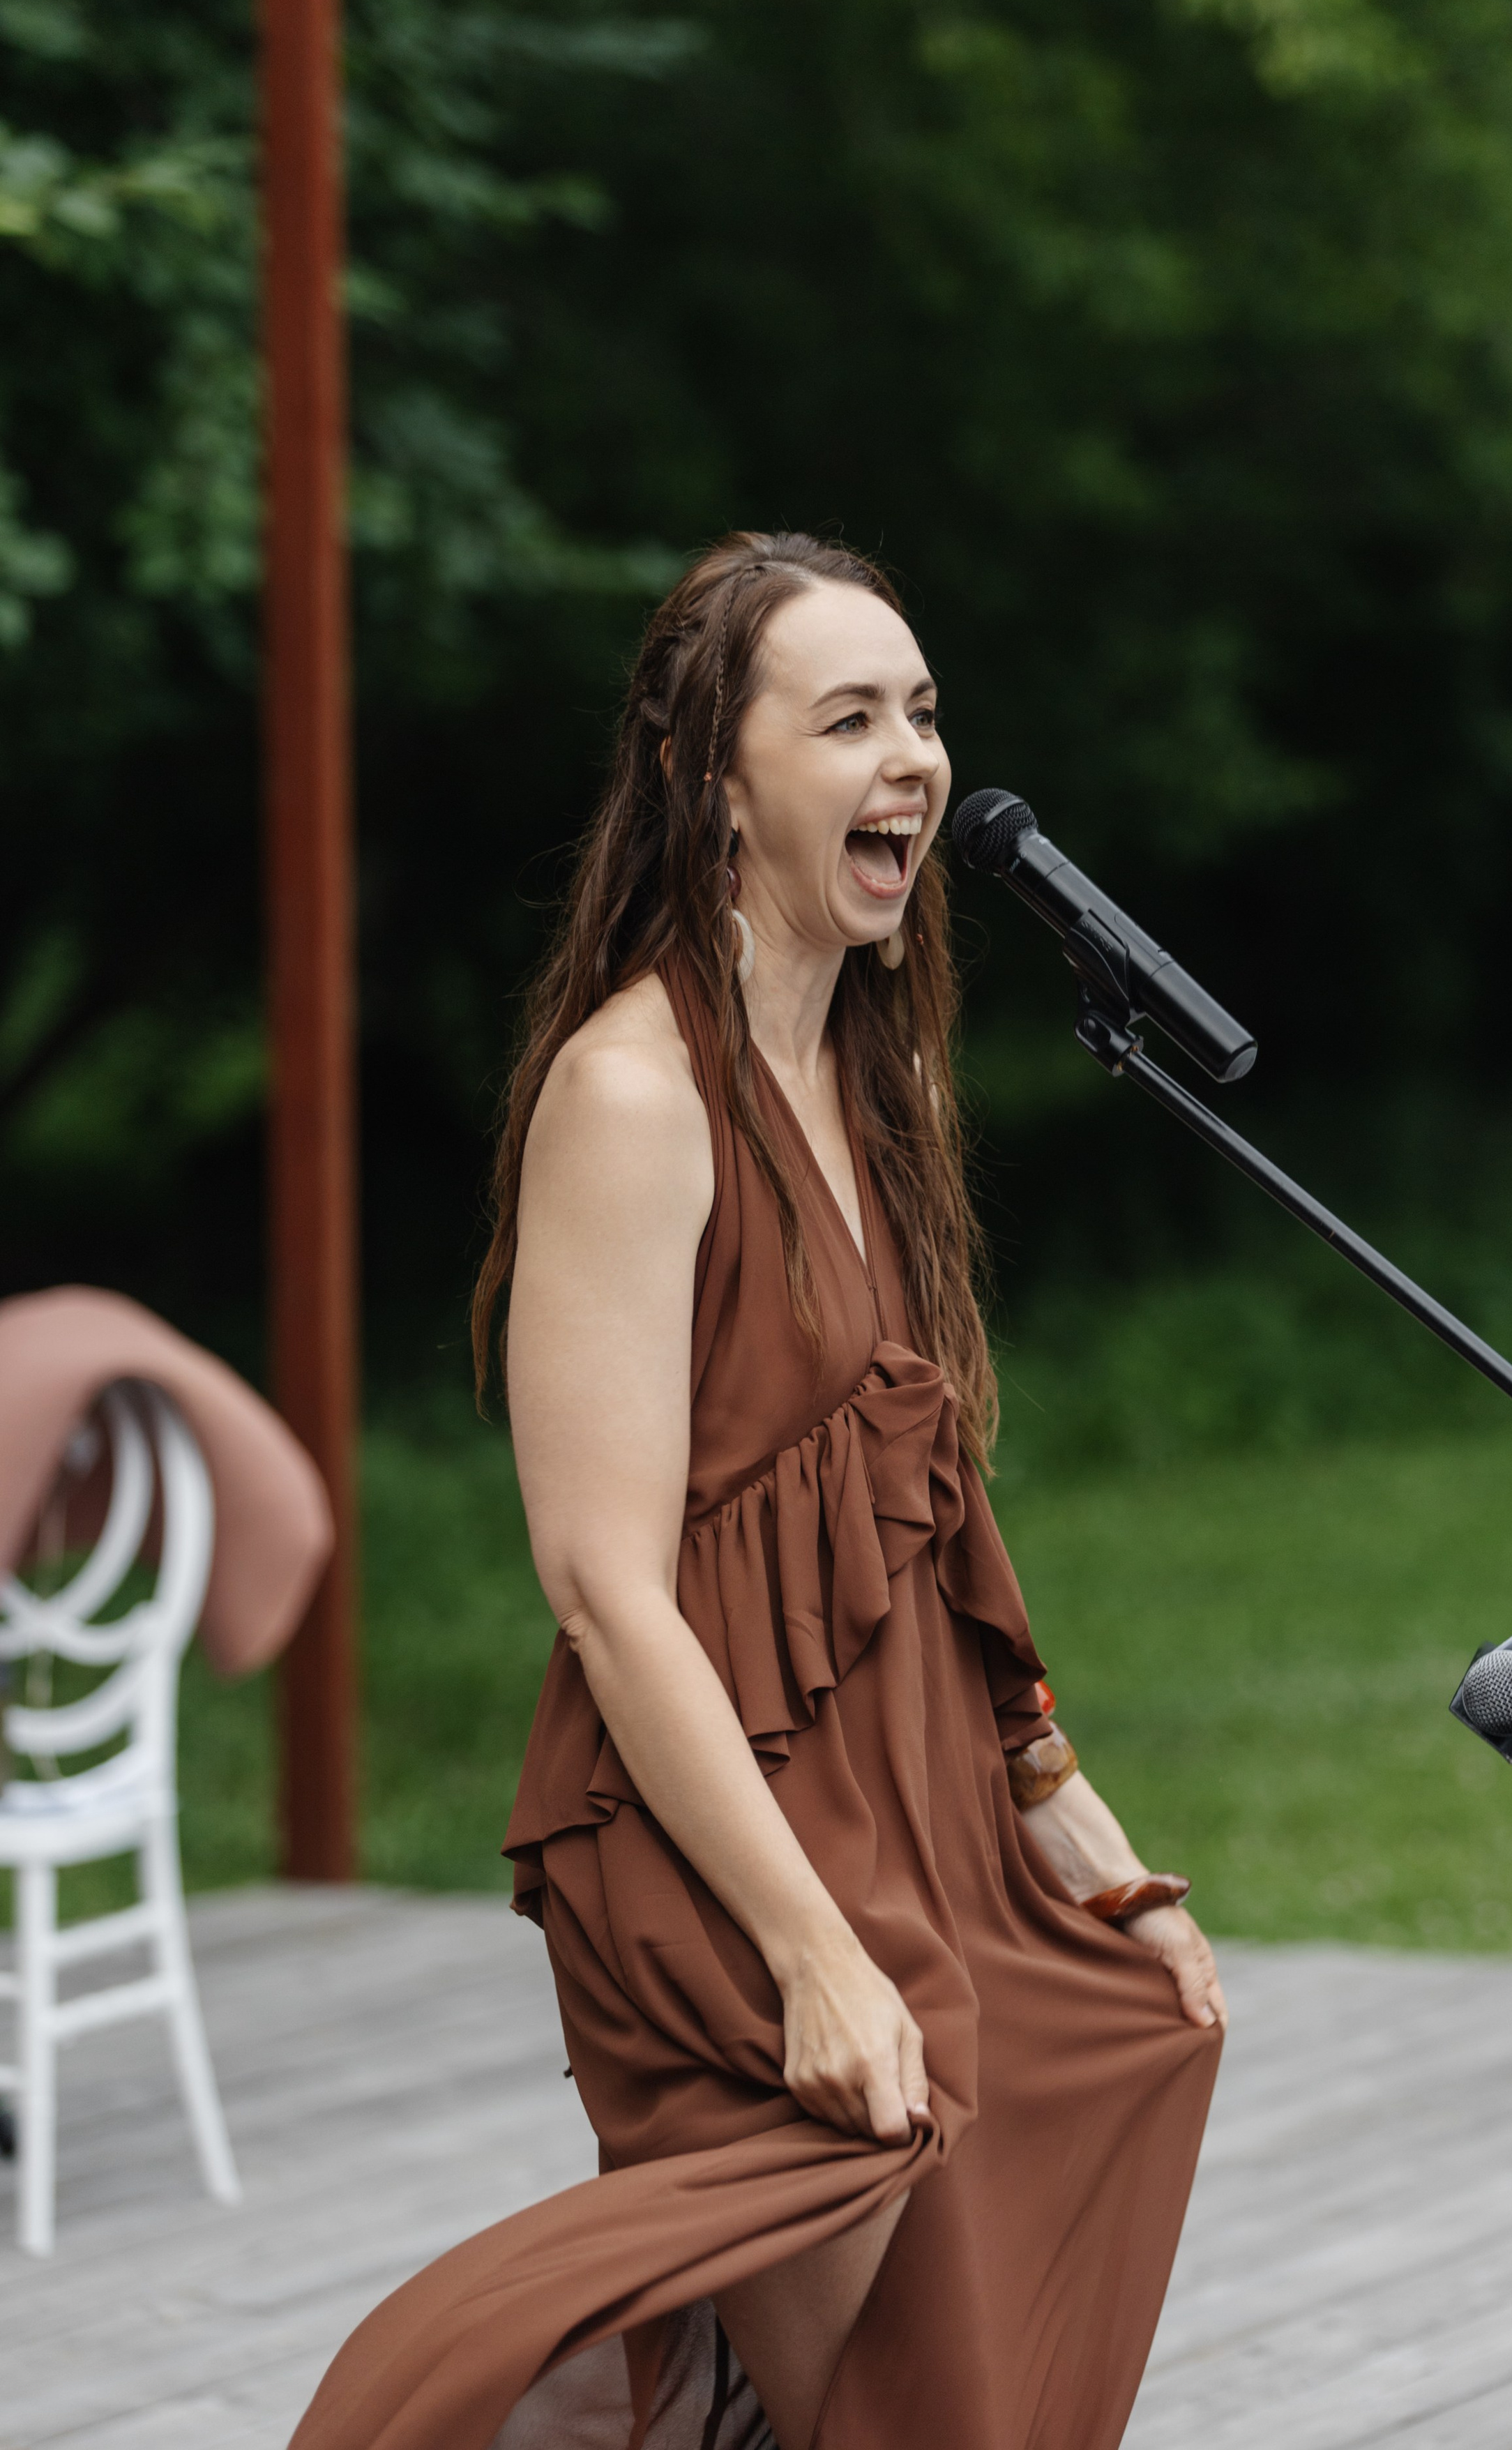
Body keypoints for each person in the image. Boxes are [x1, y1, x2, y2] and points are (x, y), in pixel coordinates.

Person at [291, 533, 1225, 2450]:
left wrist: (1073, 1823)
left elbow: (926, 1497)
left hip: (917, 1816)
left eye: (925, 715)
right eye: (849, 719)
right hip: (724, 1853)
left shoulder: (866, 1074)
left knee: (1102, 2070)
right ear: (713, 778)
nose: (913, 761)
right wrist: (815, 1958)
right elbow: (605, 1586)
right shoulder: (636, 1097)